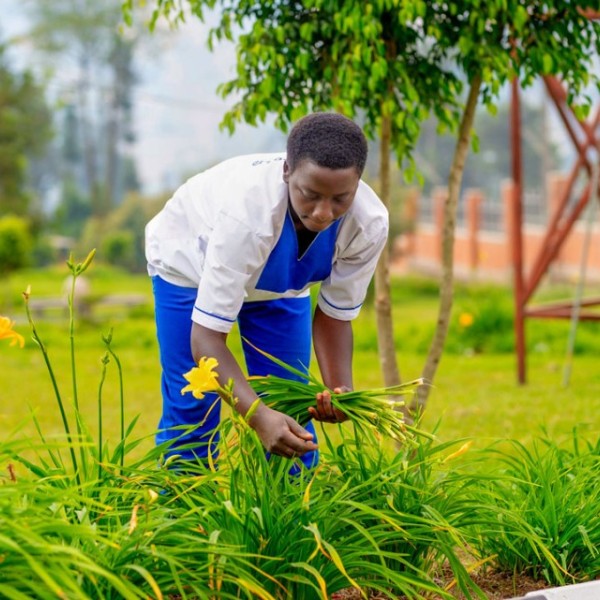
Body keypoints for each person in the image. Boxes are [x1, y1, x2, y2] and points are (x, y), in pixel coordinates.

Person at [145, 112, 388, 469]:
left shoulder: (369, 223)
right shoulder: (247, 215)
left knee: (290, 405)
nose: (323, 213)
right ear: (287, 171)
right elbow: (207, 341)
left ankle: (288, 518)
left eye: (340, 198)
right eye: (310, 195)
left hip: (279, 288)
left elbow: (335, 317)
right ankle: (183, 514)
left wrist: (340, 392)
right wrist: (257, 416)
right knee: (195, 406)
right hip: (189, 270)